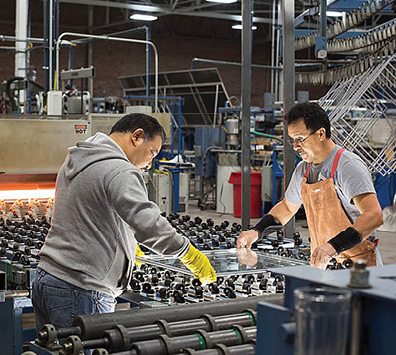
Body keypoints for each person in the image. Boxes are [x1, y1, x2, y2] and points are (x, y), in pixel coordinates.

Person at [32, 113, 216, 332]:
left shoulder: (79, 158)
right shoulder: (120, 170)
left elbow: (90, 212)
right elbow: (149, 226)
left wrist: (126, 245)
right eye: (152, 152)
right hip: (82, 289)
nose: (150, 163)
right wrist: (188, 253)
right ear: (137, 136)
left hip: (47, 278)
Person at [237, 102, 383, 269]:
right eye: (292, 140)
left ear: (321, 133)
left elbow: (374, 216)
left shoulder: (347, 166)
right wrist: (256, 231)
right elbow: (286, 208)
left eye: (300, 139)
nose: (295, 147)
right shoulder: (303, 170)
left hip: (358, 267)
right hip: (324, 264)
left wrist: (333, 246)